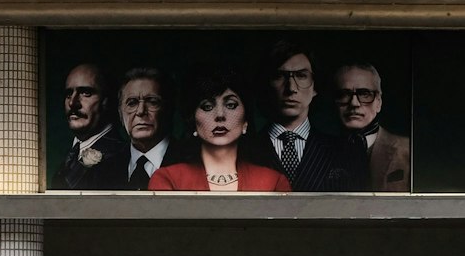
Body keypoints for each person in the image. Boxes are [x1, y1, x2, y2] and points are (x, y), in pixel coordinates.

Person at [149, 71, 291, 192]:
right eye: (207, 106)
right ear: (193, 121)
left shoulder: (273, 183)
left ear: (245, 121)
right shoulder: (168, 180)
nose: (220, 115)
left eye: (230, 105)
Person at [256, 41, 368, 192]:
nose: (291, 88)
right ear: (266, 84)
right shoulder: (243, 149)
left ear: (315, 87)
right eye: (279, 76)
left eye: (301, 76)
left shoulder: (346, 150)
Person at [334, 61, 412, 191]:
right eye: (344, 94)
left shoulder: (407, 150)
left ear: (378, 102)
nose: (354, 103)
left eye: (364, 94)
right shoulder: (318, 152)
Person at [58, 62, 127, 189]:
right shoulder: (71, 155)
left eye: (85, 93)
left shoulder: (120, 157)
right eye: (68, 94)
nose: (73, 103)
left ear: (107, 100)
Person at [117, 67, 181, 190]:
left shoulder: (193, 161)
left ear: (168, 110)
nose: (141, 111)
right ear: (120, 113)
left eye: (152, 102)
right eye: (132, 103)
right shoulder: (105, 169)